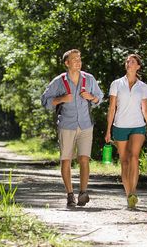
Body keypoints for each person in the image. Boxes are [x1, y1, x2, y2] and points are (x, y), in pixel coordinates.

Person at [41, 49, 104, 207]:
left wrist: (92, 97)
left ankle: (83, 192)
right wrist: (61, 98)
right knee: (66, 160)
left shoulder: (89, 79)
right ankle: (70, 194)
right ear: (67, 63)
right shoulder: (59, 81)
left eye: (79, 59)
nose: (78, 61)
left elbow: (100, 97)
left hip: (85, 125)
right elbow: (44, 100)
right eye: (74, 59)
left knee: (84, 159)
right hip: (66, 125)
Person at [105, 54, 147, 209]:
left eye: (132, 61)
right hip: (120, 126)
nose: (129, 63)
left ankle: (133, 191)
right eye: (127, 61)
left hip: (138, 125)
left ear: (138, 66)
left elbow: (145, 108)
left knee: (134, 157)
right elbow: (112, 108)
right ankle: (128, 196)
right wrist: (108, 130)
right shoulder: (116, 84)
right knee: (124, 161)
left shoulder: (142, 86)